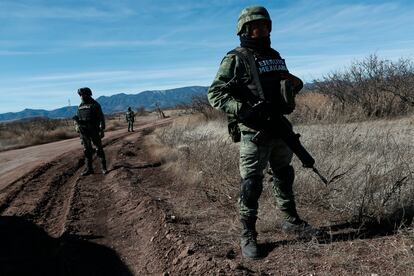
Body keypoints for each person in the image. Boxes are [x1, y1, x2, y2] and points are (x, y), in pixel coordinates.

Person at [208, 6, 320, 259]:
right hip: (254, 130)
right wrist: (241, 109)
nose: (262, 30)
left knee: (284, 175)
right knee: (251, 184)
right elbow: (215, 93)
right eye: (256, 26)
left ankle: (291, 221)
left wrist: (295, 83)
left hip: (279, 126)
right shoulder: (235, 58)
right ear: (245, 29)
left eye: (266, 25)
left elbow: (284, 83)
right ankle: (248, 233)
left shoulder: (274, 55)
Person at [73, 87, 108, 176]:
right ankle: (89, 169)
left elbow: (101, 117)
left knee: (98, 149)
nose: (81, 96)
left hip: (94, 130)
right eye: (80, 95)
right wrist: (77, 126)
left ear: (88, 94)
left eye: (83, 94)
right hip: (84, 131)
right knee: (86, 150)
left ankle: (104, 168)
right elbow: (77, 118)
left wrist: (101, 129)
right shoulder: (80, 106)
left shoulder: (95, 104)